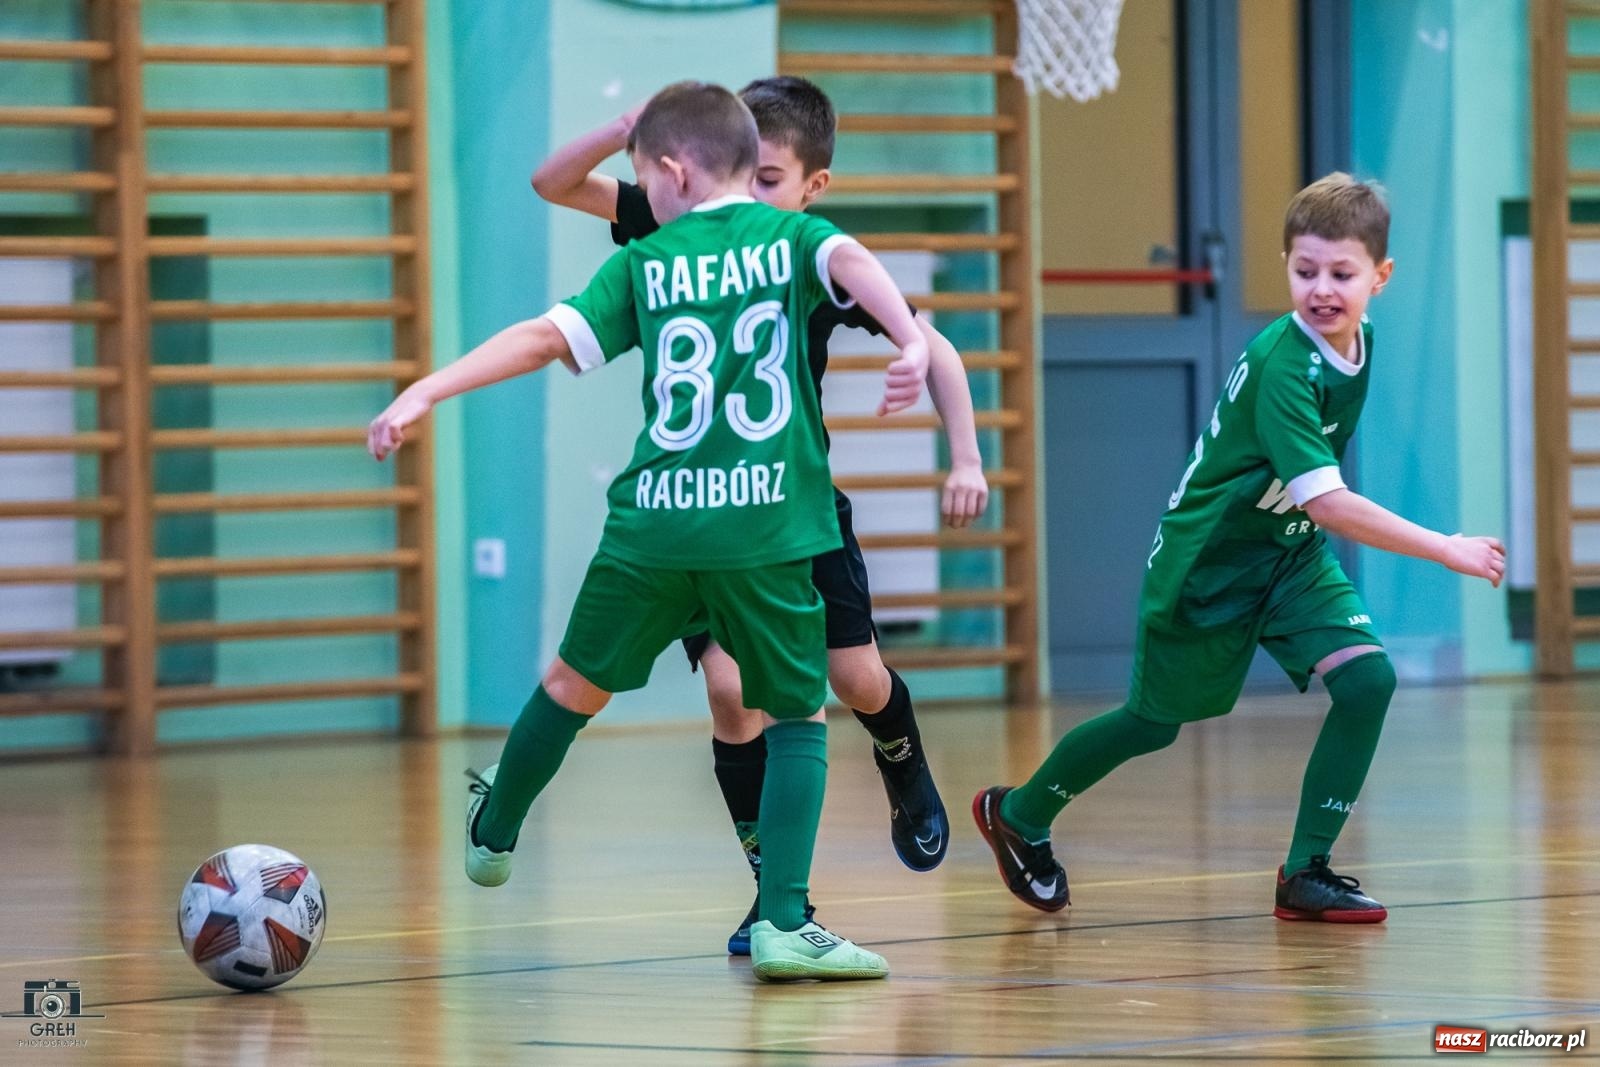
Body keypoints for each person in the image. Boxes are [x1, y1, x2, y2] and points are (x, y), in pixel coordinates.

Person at [370, 81, 929, 981]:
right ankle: (786, 919)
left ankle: (496, 824)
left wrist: (427, 389)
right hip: (764, 522)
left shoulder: (649, 260)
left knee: (570, 684)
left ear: (671, 172)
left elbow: (543, 338)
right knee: (796, 710)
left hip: (655, 526)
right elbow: (856, 264)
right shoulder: (795, 238)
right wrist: (908, 339)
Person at [973, 173, 1506, 923]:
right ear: (1285, 263)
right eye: (1304, 270)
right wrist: (1445, 548)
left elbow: (1309, 506)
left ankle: (1306, 871)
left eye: (1342, 274)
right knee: (1151, 724)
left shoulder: (1362, 341)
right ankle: (1018, 814)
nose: (1322, 289)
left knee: (1368, 682)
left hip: (1286, 555)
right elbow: (1329, 500)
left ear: (1380, 278)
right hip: (1209, 564)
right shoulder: (1286, 363)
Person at [532, 75, 988, 953]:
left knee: (854, 680)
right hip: (703, 515)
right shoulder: (677, 217)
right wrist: (622, 127)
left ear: (812, 187)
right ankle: (774, 895)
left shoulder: (805, 250)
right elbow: (553, 182)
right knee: (732, 692)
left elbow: (935, 352)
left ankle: (904, 760)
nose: (747, 195)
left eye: (772, 180)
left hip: (795, 509)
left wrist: (964, 455)